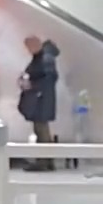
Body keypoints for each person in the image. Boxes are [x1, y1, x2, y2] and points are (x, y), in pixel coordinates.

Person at [17, 35, 60, 171]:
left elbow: (49, 78)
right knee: (41, 129)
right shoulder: (42, 57)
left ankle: (43, 161)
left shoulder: (45, 59)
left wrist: (32, 85)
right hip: (41, 98)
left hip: (41, 99)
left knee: (41, 129)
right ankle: (47, 160)